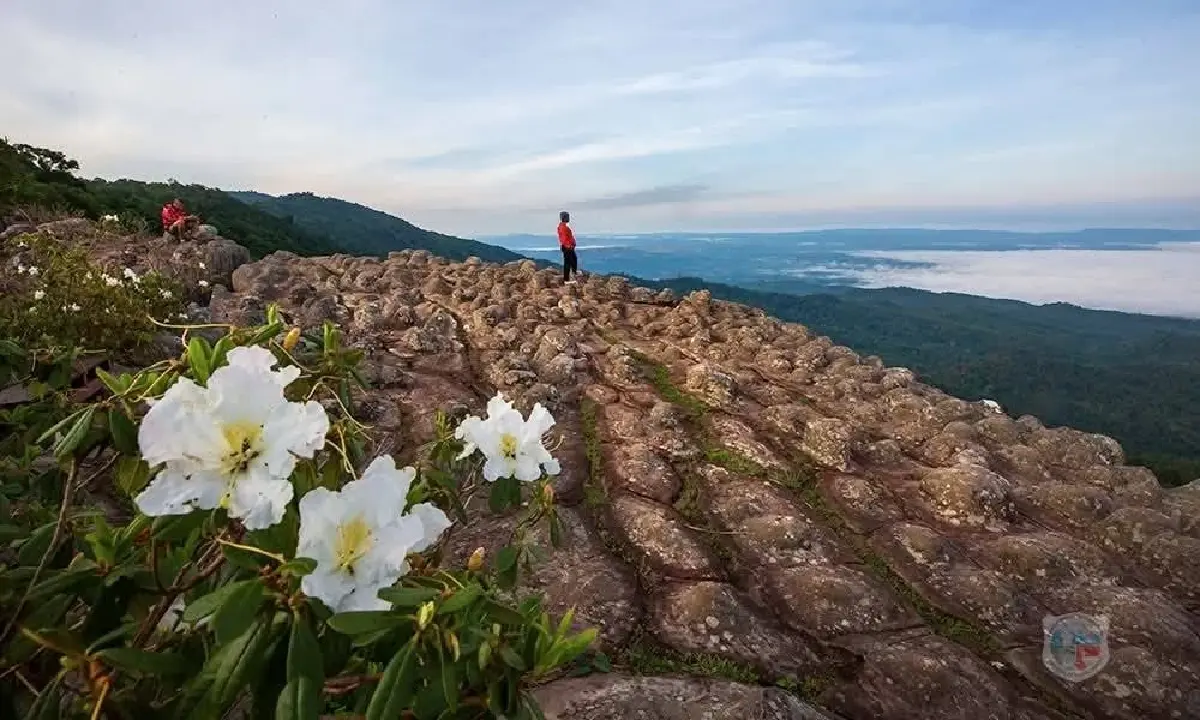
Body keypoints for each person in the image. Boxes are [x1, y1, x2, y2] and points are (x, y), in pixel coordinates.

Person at [558, 210, 579, 283]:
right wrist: (569, 245)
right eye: (567, 217)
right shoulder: (563, 227)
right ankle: (566, 279)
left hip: (568, 246)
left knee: (573, 259)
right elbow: (564, 239)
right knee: (567, 262)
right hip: (567, 247)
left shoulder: (563, 226)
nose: (568, 218)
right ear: (564, 218)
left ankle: (574, 272)